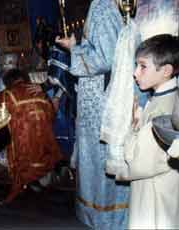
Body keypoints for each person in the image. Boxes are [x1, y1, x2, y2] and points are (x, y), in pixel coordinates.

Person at [56, 0, 129, 229]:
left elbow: (106, 58)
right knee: (95, 157)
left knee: (98, 157)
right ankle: (101, 216)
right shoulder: (104, 5)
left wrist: (73, 49)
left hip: (99, 100)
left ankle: (106, 218)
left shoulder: (102, 6)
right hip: (95, 96)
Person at [116, 34, 179, 229]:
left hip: (156, 192)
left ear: (166, 70)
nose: (135, 73)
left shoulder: (162, 109)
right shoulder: (174, 95)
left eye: (143, 66)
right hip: (172, 188)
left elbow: (139, 162)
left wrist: (132, 127)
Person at [0, 69, 62, 204]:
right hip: (45, 141)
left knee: (8, 144)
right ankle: (43, 177)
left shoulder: (6, 94)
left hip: (23, 143)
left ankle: (27, 181)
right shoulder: (39, 91)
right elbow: (51, 115)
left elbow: (1, 120)